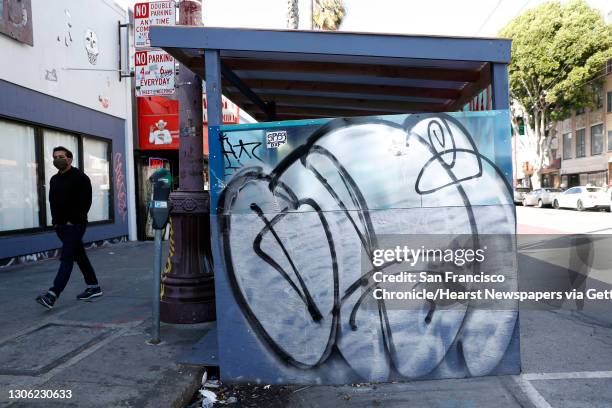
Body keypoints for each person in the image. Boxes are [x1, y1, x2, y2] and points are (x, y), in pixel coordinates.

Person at [36, 147, 102, 309]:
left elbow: (86, 202)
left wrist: (73, 221)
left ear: (70, 159)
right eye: (55, 157)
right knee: (79, 256)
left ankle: (52, 294)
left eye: (61, 156)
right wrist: (56, 222)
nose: (58, 159)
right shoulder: (54, 179)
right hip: (60, 226)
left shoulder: (81, 178)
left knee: (67, 258)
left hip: (75, 225)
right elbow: (52, 202)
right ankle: (94, 287)